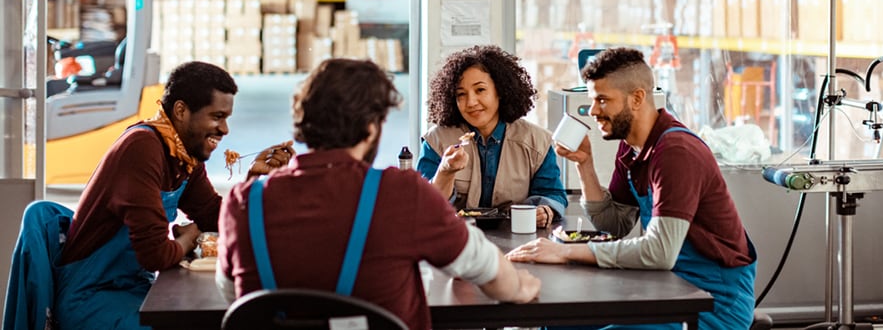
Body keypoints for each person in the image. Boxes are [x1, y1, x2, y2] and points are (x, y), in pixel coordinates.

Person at [217, 58, 541, 329]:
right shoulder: (400, 195)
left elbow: (236, 298)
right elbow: (484, 266)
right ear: (372, 127)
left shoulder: (243, 202)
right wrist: (521, 287)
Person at [505, 48, 757, 330]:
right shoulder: (631, 146)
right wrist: (585, 165)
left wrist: (565, 252)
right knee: (557, 323)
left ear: (637, 98)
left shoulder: (676, 152)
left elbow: (659, 252)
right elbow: (616, 224)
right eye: (592, 100)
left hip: (713, 299)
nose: (592, 111)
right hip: (667, 285)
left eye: (602, 100)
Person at [51, 61, 293, 329]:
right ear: (181, 111)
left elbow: (216, 218)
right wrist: (188, 239)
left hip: (131, 287)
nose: (225, 130)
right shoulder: (141, 148)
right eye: (217, 117)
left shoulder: (182, 155)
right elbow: (156, 255)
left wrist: (253, 180)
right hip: (91, 298)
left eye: (226, 119)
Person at [419, 45, 567, 228]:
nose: (471, 102)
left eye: (480, 90)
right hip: (455, 240)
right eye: (461, 94)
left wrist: (545, 210)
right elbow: (424, 205)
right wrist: (445, 172)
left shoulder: (537, 141)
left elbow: (553, 194)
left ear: (500, 91)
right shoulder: (436, 141)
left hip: (519, 239)